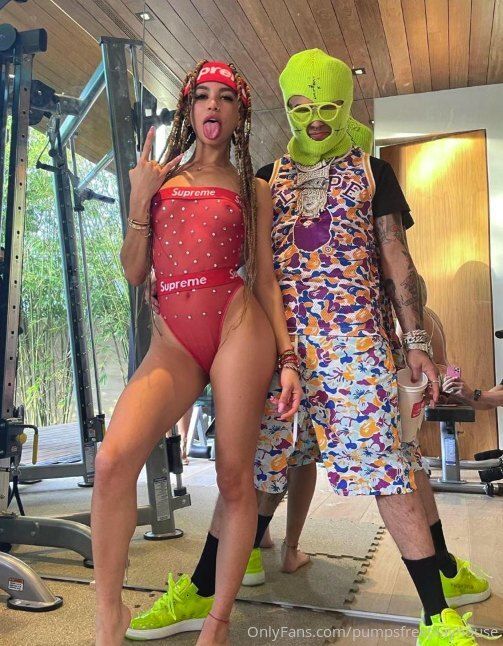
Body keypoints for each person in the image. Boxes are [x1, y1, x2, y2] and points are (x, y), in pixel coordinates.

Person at [138, 50, 487, 645]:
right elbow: (239, 261)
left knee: (387, 469)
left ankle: (438, 617)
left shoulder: (373, 172)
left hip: (357, 345)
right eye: (302, 109)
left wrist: (415, 341)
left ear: (346, 105)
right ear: (286, 108)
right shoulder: (264, 179)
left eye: (328, 107)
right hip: (274, 347)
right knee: (252, 472)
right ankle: (201, 590)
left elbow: (397, 259)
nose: (317, 120)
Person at [91, 59, 301, 646]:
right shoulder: (160, 180)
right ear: (188, 109)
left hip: (238, 327)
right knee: (111, 463)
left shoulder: (254, 189)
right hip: (173, 341)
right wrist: (138, 201)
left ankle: (217, 622)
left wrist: (289, 359)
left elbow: (264, 279)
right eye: (202, 96)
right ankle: (108, 617)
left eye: (225, 98)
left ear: (239, 115)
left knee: (233, 477)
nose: (213, 105)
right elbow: (135, 272)